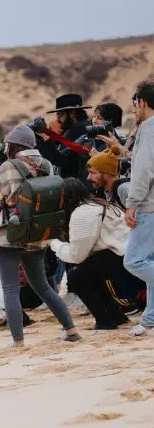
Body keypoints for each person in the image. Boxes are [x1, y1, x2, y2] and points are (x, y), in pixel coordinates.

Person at [0, 125, 81, 347]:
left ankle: (18, 341)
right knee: (44, 287)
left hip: (8, 234)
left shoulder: (8, 166)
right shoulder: (46, 164)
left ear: (14, 145)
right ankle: (71, 330)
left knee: (10, 288)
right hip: (38, 233)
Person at [49, 178, 132, 330]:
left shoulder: (83, 213)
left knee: (77, 276)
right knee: (91, 272)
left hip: (120, 256)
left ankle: (104, 321)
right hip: (125, 252)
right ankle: (116, 316)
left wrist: (53, 244)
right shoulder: (97, 204)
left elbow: (76, 255)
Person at [123, 81, 154, 336]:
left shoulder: (148, 128)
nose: (134, 110)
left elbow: (143, 171)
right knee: (150, 261)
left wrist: (132, 203)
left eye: (135, 104)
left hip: (149, 205)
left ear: (142, 102)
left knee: (134, 261)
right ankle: (150, 320)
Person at [38, 93, 95, 180]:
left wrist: (47, 138)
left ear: (72, 113)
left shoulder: (79, 129)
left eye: (60, 114)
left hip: (77, 183)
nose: (58, 119)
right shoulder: (72, 129)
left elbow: (63, 160)